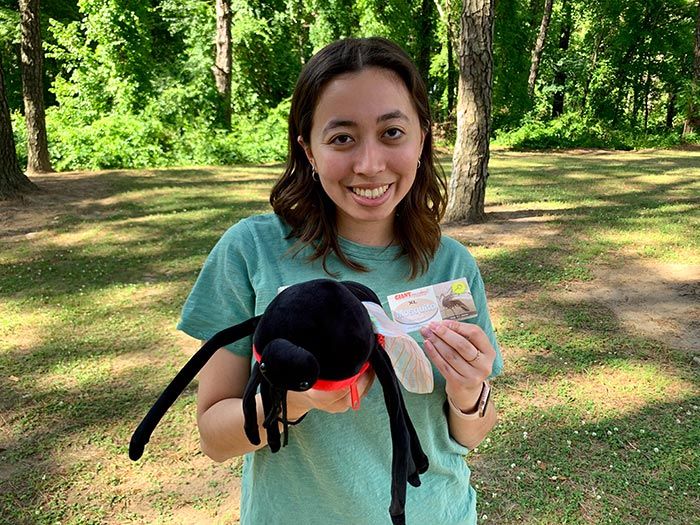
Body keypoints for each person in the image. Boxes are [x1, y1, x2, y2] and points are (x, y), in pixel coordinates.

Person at [177, 37, 504, 525]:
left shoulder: (452, 266)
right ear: (308, 149)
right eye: (342, 138)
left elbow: (470, 436)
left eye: (392, 132)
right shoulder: (252, 252)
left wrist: (468, 390)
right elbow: (213, 437)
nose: (369, 164)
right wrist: (299, 396)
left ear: (422, 140)